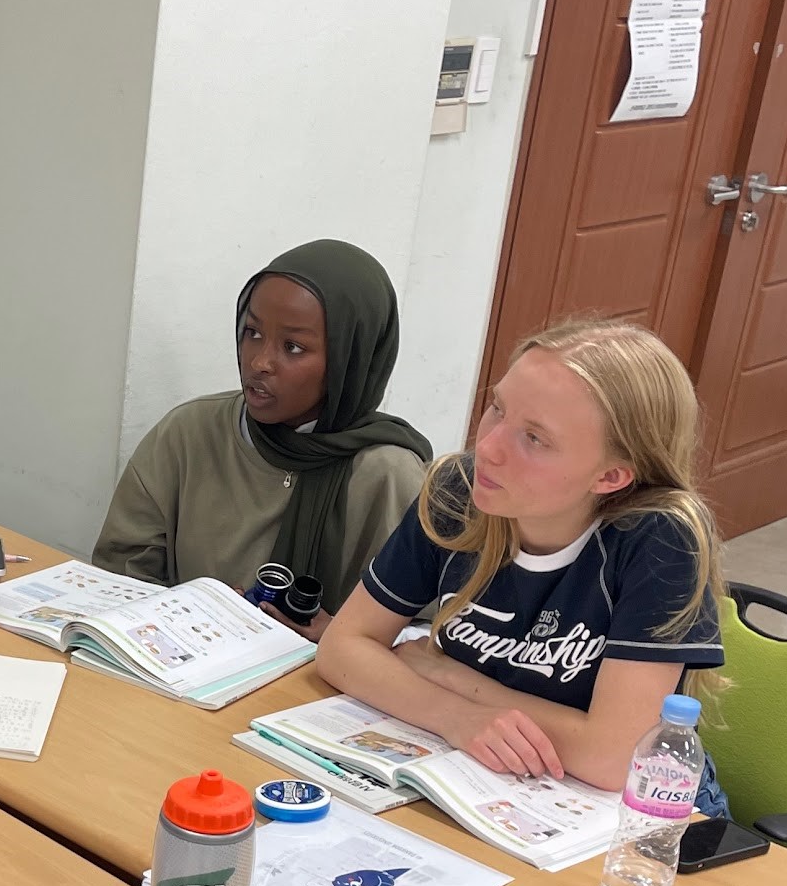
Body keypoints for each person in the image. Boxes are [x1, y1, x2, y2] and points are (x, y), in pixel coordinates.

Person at [313, 317, 730, 806]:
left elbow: (614, 757)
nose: (487, 448)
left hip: (645, 812)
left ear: (610, 476)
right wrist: (456, 716)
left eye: (534, 438)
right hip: (484, 774)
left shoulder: (662, 539)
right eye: (497, 408)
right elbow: (342, 648)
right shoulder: (460, 490)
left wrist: (450, 676)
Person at [93, 239, 433, 630]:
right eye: (252, 332)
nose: (259, 361)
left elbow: (427, 637)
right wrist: (195, 615)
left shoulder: (390, 476)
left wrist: (335, 636)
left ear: (351, 359)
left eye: (293, 347)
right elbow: (116, 574)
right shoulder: (190, 433)